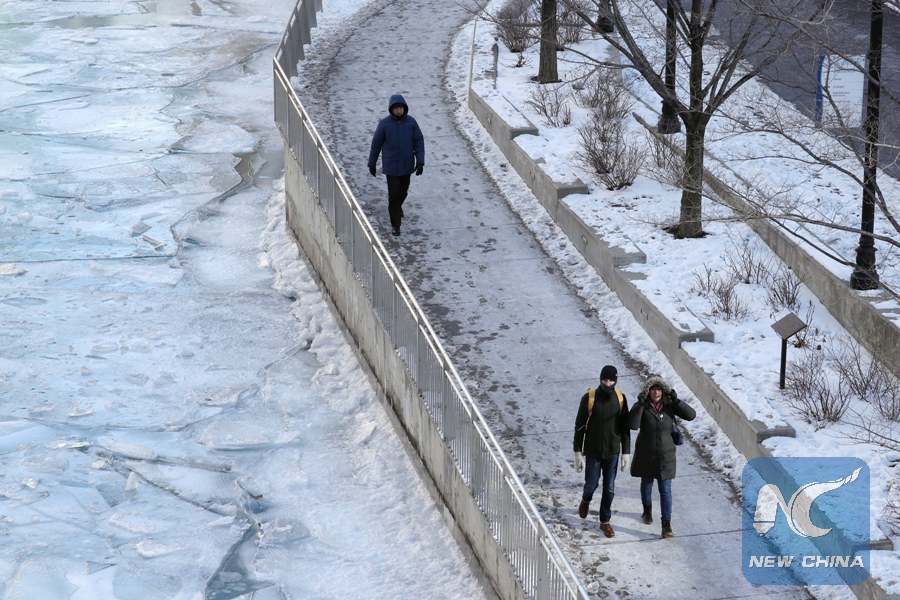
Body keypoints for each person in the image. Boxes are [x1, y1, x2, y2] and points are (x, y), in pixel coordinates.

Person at [628, 376, 696, 539]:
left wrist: (676, 401)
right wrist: (639, 405)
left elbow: (691, 415)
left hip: (666, 456)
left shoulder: (670, 405)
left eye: (659, 389)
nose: (656, 393)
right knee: (646, 485)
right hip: (646, 454)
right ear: (648, 391)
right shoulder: (643, 406)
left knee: (665, 491)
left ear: (663, 391)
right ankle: (647, 510)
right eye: (653, 389)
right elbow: (633, 425)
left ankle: (666, 525)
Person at [573, 365, 631, 538]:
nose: (608, 383)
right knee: (591, 483)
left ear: (616, 380)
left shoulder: (620, 399)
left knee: (610, 488)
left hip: (612, 451)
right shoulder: (589, 398)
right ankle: (586, 499)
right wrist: (577, 451)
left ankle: (605, 521)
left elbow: (625, 428)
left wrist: (626, 452)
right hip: (593, 450)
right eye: (605, 380)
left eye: (611, 380)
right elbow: (579, 426)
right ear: (600, 379)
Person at [367, 94, 425, 237]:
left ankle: (398, 208)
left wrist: (420, 161)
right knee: (393, 196)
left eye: (401, 108)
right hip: (391, 167)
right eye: (396, 108)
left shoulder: (411, 122)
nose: (399, 111)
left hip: (406, 166)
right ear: (391, 110)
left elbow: (419, 141)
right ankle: (395, 225)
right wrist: (372, 163)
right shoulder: (384, 124)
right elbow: (376, 145)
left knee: (403, 192)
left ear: (404, 108)